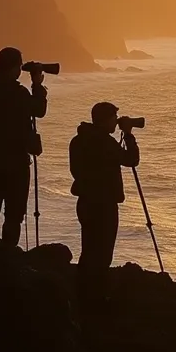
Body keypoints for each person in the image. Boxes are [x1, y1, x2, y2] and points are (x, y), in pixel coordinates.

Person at [0, 47, 47, 247]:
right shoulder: (18, 93)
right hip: (15, 163)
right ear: (15, 67)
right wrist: (37, 84)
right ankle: (7, 255)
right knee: (14, 214)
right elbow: (39, 110)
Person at [69, 101, 139, 305]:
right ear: (104, 120)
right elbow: (131, 159)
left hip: (85, 201)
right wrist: (129, 135)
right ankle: (97, 298)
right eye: (113, 119)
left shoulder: (78, 140)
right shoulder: (104, 142)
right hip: (104, 204)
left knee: (89, 249)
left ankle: (82, 293)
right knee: (103, 252)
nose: (115, 124)